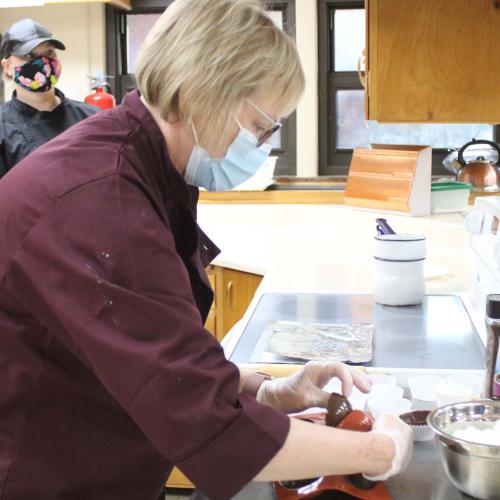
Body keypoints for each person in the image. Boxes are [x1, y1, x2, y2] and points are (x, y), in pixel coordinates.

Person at [0, 1, 413, 499]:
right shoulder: (100, 203)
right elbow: (208, 425)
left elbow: (148, 348)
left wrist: (264, 388)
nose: (263, 144)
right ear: (198, 94)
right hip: (43, 475)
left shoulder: (145, 166)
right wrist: (381, 450)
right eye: (262, 125)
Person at [0, 18, 98, 177]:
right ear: (7, 67)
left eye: (49, 53)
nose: (44, 63)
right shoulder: (3, 129)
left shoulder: (93, 117)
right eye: (29, 55)